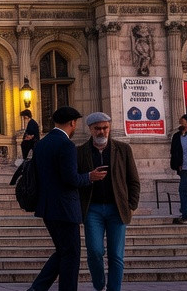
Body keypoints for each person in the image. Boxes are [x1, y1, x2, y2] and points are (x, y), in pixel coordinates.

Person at [30, 106, 105, 291]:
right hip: (65, 208)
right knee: (71, 255)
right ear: (72, 123)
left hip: (47, 207)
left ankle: (37, 288)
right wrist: (89, 176)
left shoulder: (42, 143)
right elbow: (70, 179)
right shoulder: (66, 145)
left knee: (64, 251)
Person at [77, 111, 140, 291]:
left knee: (116, 255)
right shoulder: (80, 152)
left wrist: (131, 205)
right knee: (95, 252)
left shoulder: (123, 149)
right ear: (90, 129)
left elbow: (133, 180)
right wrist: (89, 177)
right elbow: (75, 179)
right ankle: (99, 284)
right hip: (93, 210)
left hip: (117, 208)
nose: (102, 132)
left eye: (105, 128)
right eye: (97, 128)